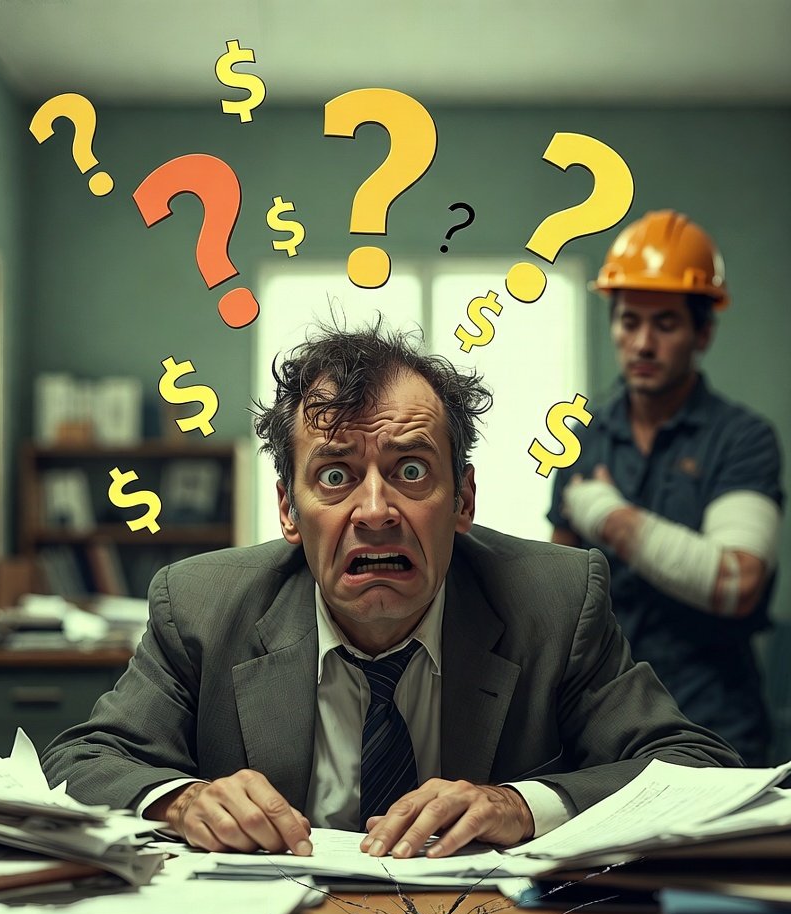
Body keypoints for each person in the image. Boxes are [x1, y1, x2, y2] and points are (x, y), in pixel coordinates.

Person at [42, 321, 742, 859]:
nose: (375, 511)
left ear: (462, 500)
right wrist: (180, 800)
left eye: (411, 472)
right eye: (336, 476)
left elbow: (697, 769)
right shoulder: (197, 606)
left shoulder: (555, 601)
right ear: (289, 509)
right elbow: (77, 762)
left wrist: (523, 807)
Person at [549, 210, 783, 766]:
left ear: (702, 332)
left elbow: (735, 581)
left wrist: (609, 516)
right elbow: (557, 593)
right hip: (604, 724)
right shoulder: (583, 440)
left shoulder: (743, 438)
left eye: (666, 324)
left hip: (715, 721)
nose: (643, 343)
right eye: (629, 322)